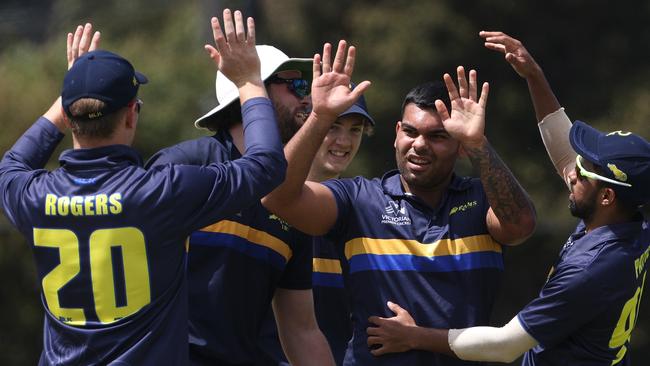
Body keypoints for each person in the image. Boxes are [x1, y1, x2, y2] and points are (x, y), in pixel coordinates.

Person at [0, 12, 287, 365]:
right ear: (132, 115)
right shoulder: (162, 192)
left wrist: (75, 91)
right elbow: (266, 167)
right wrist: (249, 82)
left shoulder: (32, 195)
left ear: (69, 118)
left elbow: (11, 165)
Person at [364, 31, 650, 366]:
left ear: (607, 196)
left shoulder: (589, 269)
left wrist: (415, 336)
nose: (571, 171)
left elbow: (504, 345)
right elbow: (564, 155)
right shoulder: (630, 223)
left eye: (584, 171)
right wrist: (534, 76)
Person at [261, 61, 537, 365]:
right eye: (410, 131)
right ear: (396, 133)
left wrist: (477, 143)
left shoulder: (481, 199)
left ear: (459, 147)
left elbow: (520, 226)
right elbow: (277, 197)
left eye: (437, 136)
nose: (419, 145)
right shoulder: (360, 199)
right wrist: (319, 117)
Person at [145, 18, 367, 366]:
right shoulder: (186, 164)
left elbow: (301, 330)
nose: (307, 96)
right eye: (294, 84)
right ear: (251, 93)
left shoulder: (290, 198)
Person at [257, 91, 376, 366]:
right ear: (306, 124)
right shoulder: (260, 208)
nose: (344, 141)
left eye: (355, 130)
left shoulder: (366, 214)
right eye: (333, 126)